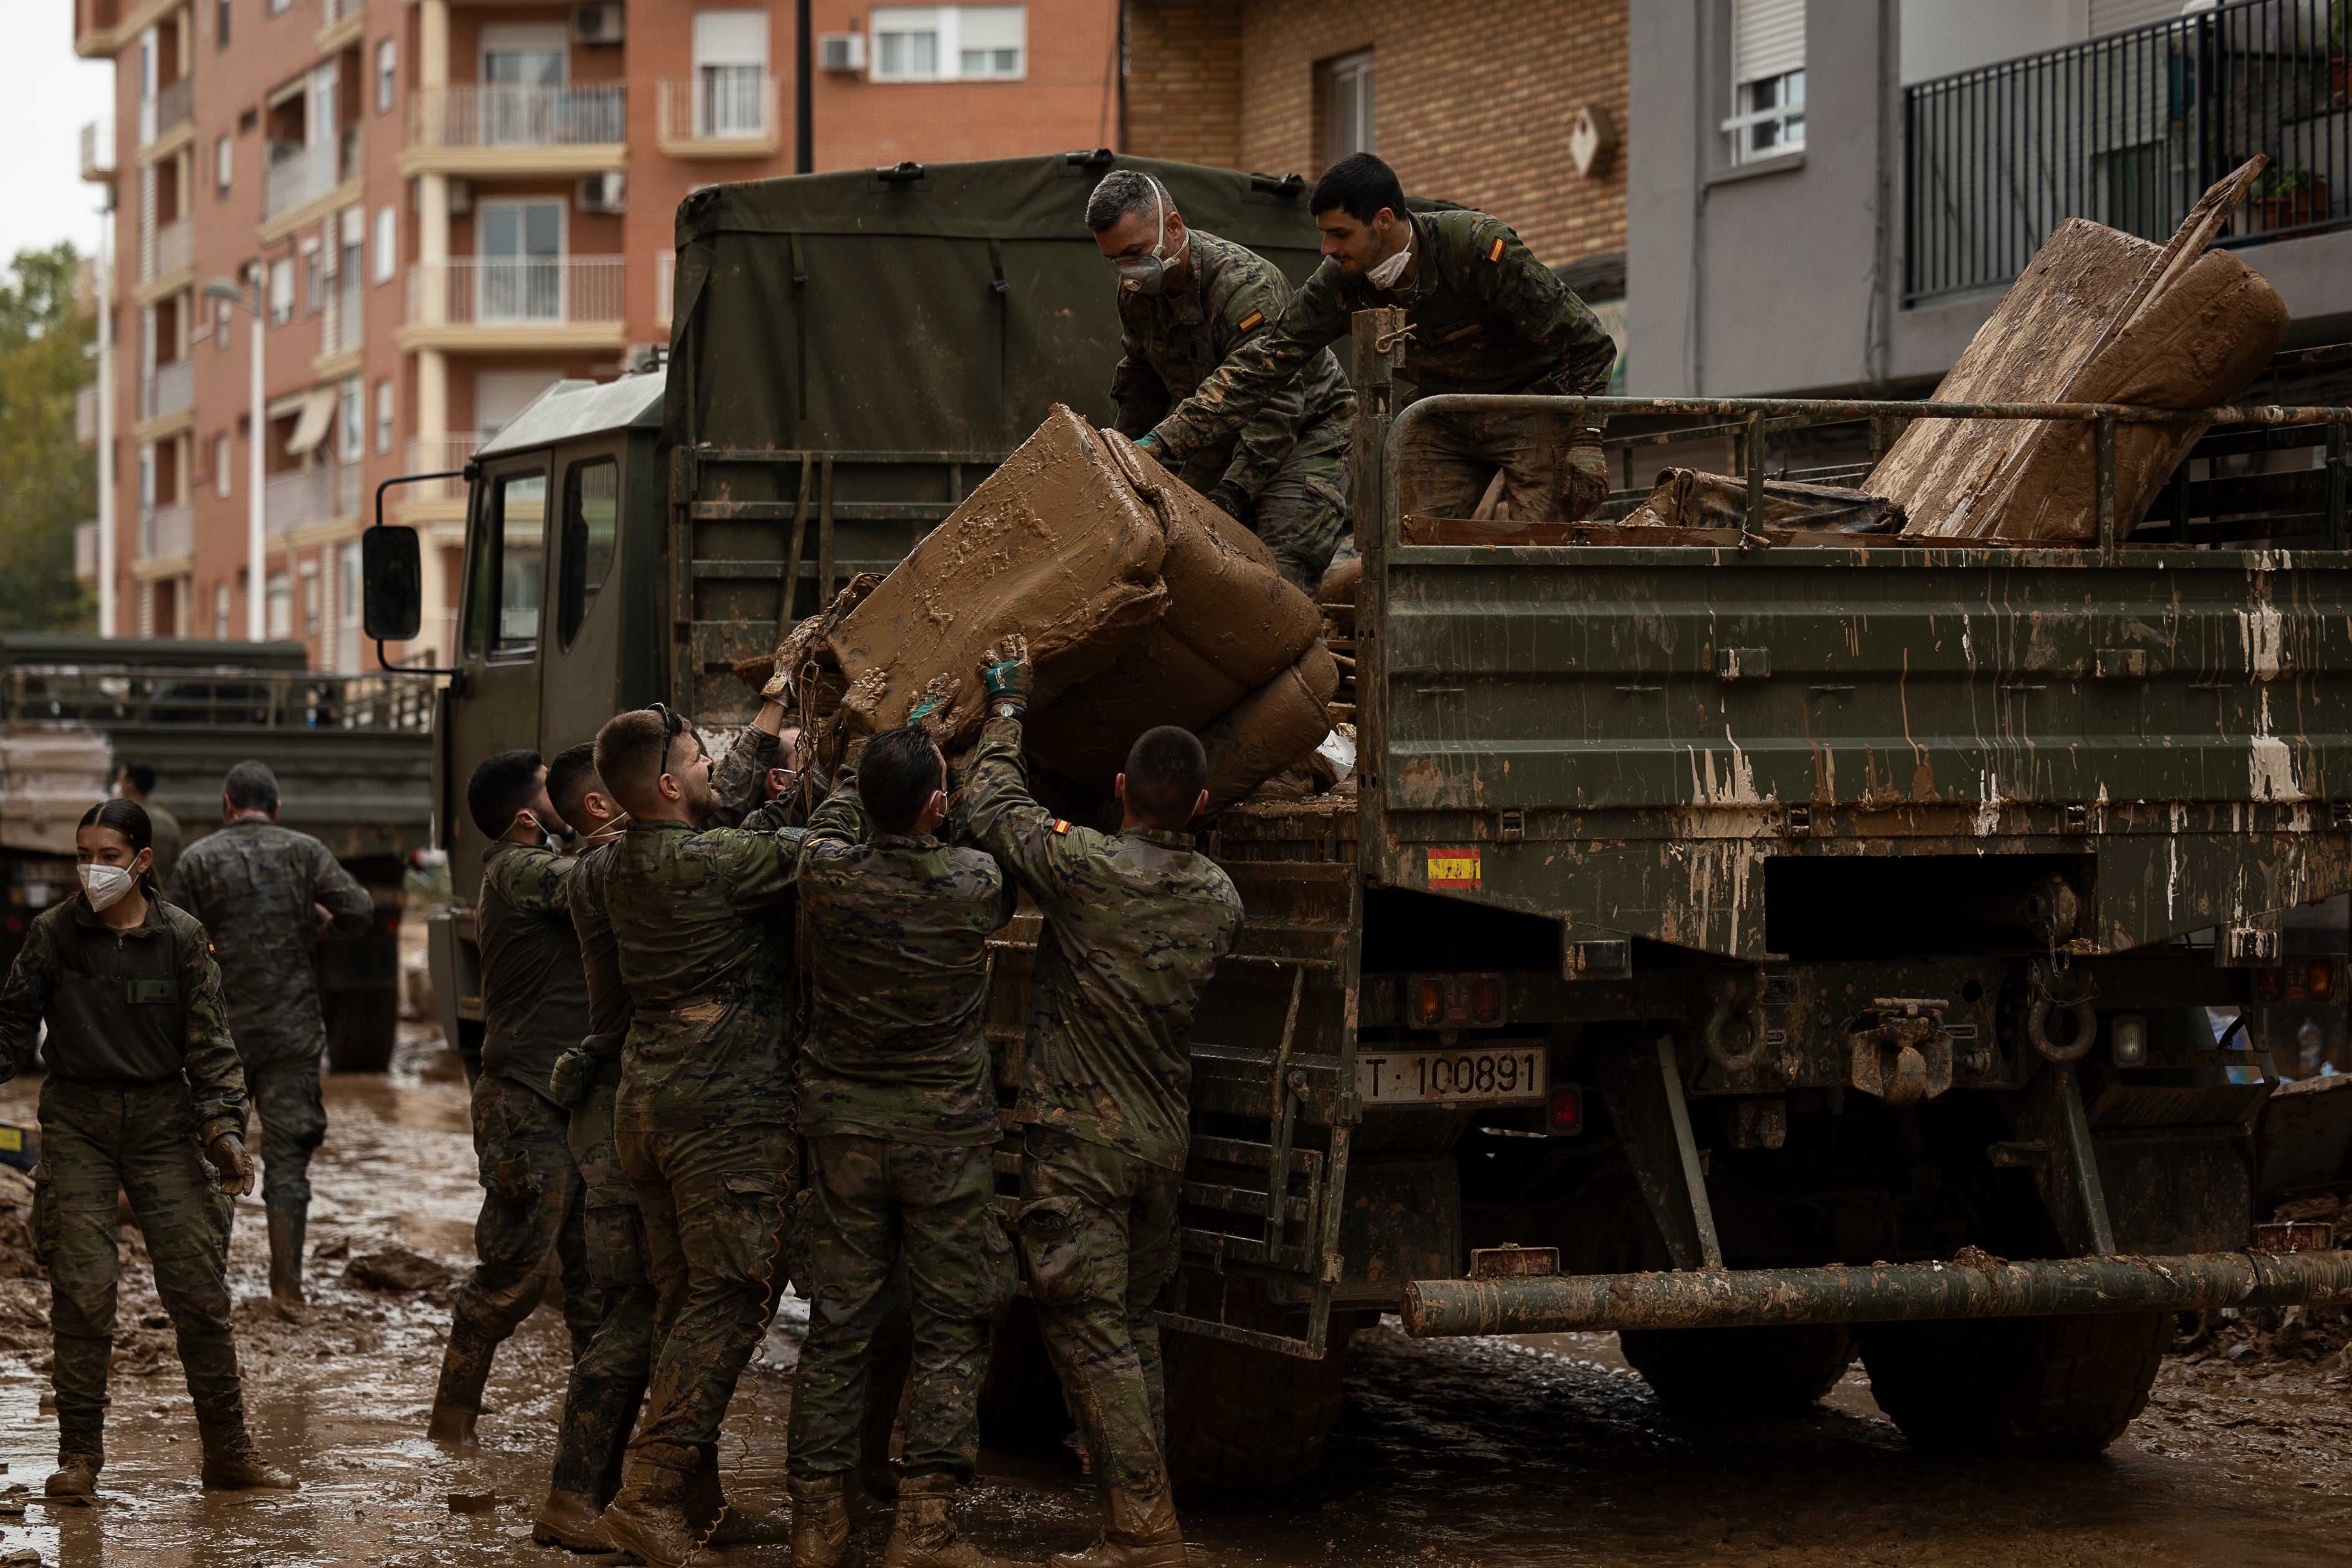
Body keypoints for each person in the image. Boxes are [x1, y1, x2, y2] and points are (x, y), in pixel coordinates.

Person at [963, 638, 1245, 1568]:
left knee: (1086, 1328)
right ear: (1202, 807)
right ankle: (1140, 1505)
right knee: (1130, 1327)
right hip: (1160, 1140)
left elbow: (992, 807)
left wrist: (1008, 708)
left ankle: (1141, 1529)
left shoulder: (1083, 870)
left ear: (1121, 787)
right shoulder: (1218, 896)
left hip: (1080, 1143)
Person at [0, 799, 296, 1496]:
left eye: (107, 856)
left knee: (198, 1294)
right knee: (82, 1289)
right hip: (77, 1122)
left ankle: (228, 1454)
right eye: (83, 855)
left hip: (165, 1123)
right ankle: (79, 1460)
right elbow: (10, 1026)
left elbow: (213, 1048)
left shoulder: (182, 938)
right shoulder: (54, 934)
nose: (92, 869)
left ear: (142, 860)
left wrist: (225, 1131)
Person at [784, 722, 1024, 1568]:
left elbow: (834, 825)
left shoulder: (824, 874)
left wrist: (860, 771)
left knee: (839, 1324)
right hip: (945, 1139)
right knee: (952, 1325)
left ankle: (817, 1523)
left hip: (846, 1135)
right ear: (937, 806)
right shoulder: (974, 882)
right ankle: (923, 1527)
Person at [589, 699, 805, 1567]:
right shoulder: (714, 864)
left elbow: (732, 797)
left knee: (685, 1302)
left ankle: (693, 1497)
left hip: (651, 1104)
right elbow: (818, 847)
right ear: (672, 785)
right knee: (730, 1299)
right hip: (721, 1112)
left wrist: (767, 724)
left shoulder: (627, 855)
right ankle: (646, 1499)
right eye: (701, 759)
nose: (719, 766)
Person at [1134, 151, 1620, 528]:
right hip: (1443, 415)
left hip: (1532, 407)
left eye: (1340, 234)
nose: (1328, 249)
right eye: (1325, 235)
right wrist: (1164, 439)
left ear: (1384, 220)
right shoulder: (1341, 282)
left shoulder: (1475, 248)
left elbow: (1590, 344)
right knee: (1412, 548)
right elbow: (1265, 361)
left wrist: (1588, 437)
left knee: (1545, 551)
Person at [426, 750, 600, 1448]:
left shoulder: (538, 867)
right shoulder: (519, 870)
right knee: (513, 1273)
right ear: (529, 816)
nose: (570, 798)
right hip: (526, 1102)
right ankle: (452, 1421)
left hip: (570, 1096)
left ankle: (592, 1440)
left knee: (597, 1282)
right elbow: (604, 881)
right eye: (554, 793)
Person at [1086, 169, 1355, 593]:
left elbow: (1276, 405)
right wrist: (1124, 458)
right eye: (1114, 260)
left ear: (1173, 227)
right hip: (1219, 434)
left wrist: (1233, 493)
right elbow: (1142, 380)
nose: (1128, 270)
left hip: (1306, 434)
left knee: (1276, 583)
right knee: (1181, 564)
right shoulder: (1136, 295)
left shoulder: (1244, 286)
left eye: (1135, 253)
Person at [167, 759, 373, 1314]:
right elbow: (360, 909)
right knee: (288, 1162)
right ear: (276, 808)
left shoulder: (197, 859)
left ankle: (212, 1292)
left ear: (226, 805)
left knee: (215, 1158)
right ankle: (288, 1290)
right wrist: (321, 921)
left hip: (218, 1038)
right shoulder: (306, 851)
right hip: (292, 1032)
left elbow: (171, 943)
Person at [115, 762, 183, 885]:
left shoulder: (117, 818)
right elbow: (176, 863)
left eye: (120, 782)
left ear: (130, 785)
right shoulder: (168, 821)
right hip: (160, 895)